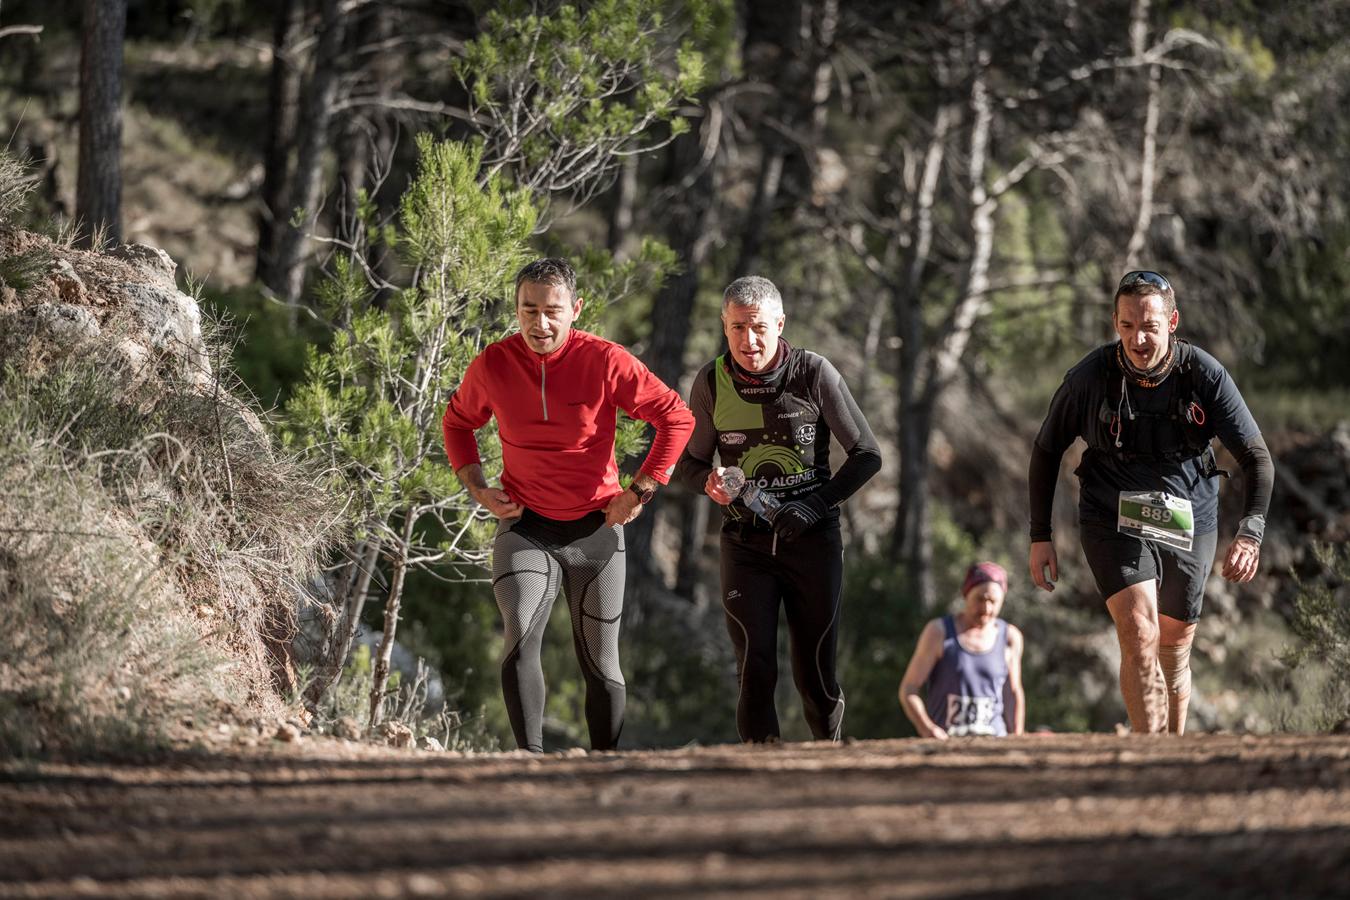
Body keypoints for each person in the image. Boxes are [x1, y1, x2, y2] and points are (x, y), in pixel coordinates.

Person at [442, 257, 694, 752]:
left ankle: (602, 771)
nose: (541, 323)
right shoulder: (493, 364)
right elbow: (457, 423)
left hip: (596, 529)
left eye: (553, 311)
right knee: (519, 638)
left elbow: (677, 418)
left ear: (575, 309)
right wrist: (476, 485)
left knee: (600, 663)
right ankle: (529, 764)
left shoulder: (604, 360)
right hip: (526, 525)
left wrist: (640, 490)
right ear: (515, 309)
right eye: (528, 310)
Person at [1028, 269, 1274, 734]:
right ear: (1115, 323)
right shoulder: (1089, 378)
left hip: (1189, 512)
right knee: (1140, 632)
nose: (1137, 339)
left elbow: (1257, 458)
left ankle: (1174, 749)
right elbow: (1045, 449)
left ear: (1173, 321)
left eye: (1149, 326)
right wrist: (1040, 535)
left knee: (1174, 650)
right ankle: (1148, 752)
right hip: (1111, 511)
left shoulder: (1203, 373)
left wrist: (1250, 532)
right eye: (1126, 326)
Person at [673, 275, 882, 742]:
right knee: (755, 666)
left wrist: (813, 506)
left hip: (813, 542)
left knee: (815, 674)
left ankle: (824, 764)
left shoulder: (813, 373)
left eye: (759, 327)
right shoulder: (711, 381)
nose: (749, 340)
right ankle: (759, 773)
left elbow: (868, 454)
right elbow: (686, 463)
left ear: (780, 323)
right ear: (724, 327)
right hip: (745, 544)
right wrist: (708, 482)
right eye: (737, 328)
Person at [898, 562, 1025, 739]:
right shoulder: (938, 632)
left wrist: (1016, 737)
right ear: (966, 594)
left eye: (993, 602)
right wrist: (928, 729)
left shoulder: (1010, 637)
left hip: (995, 742)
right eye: (980, 599)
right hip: (947, 742)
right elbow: (908, 689)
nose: (986, 609)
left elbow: (1012, 692)